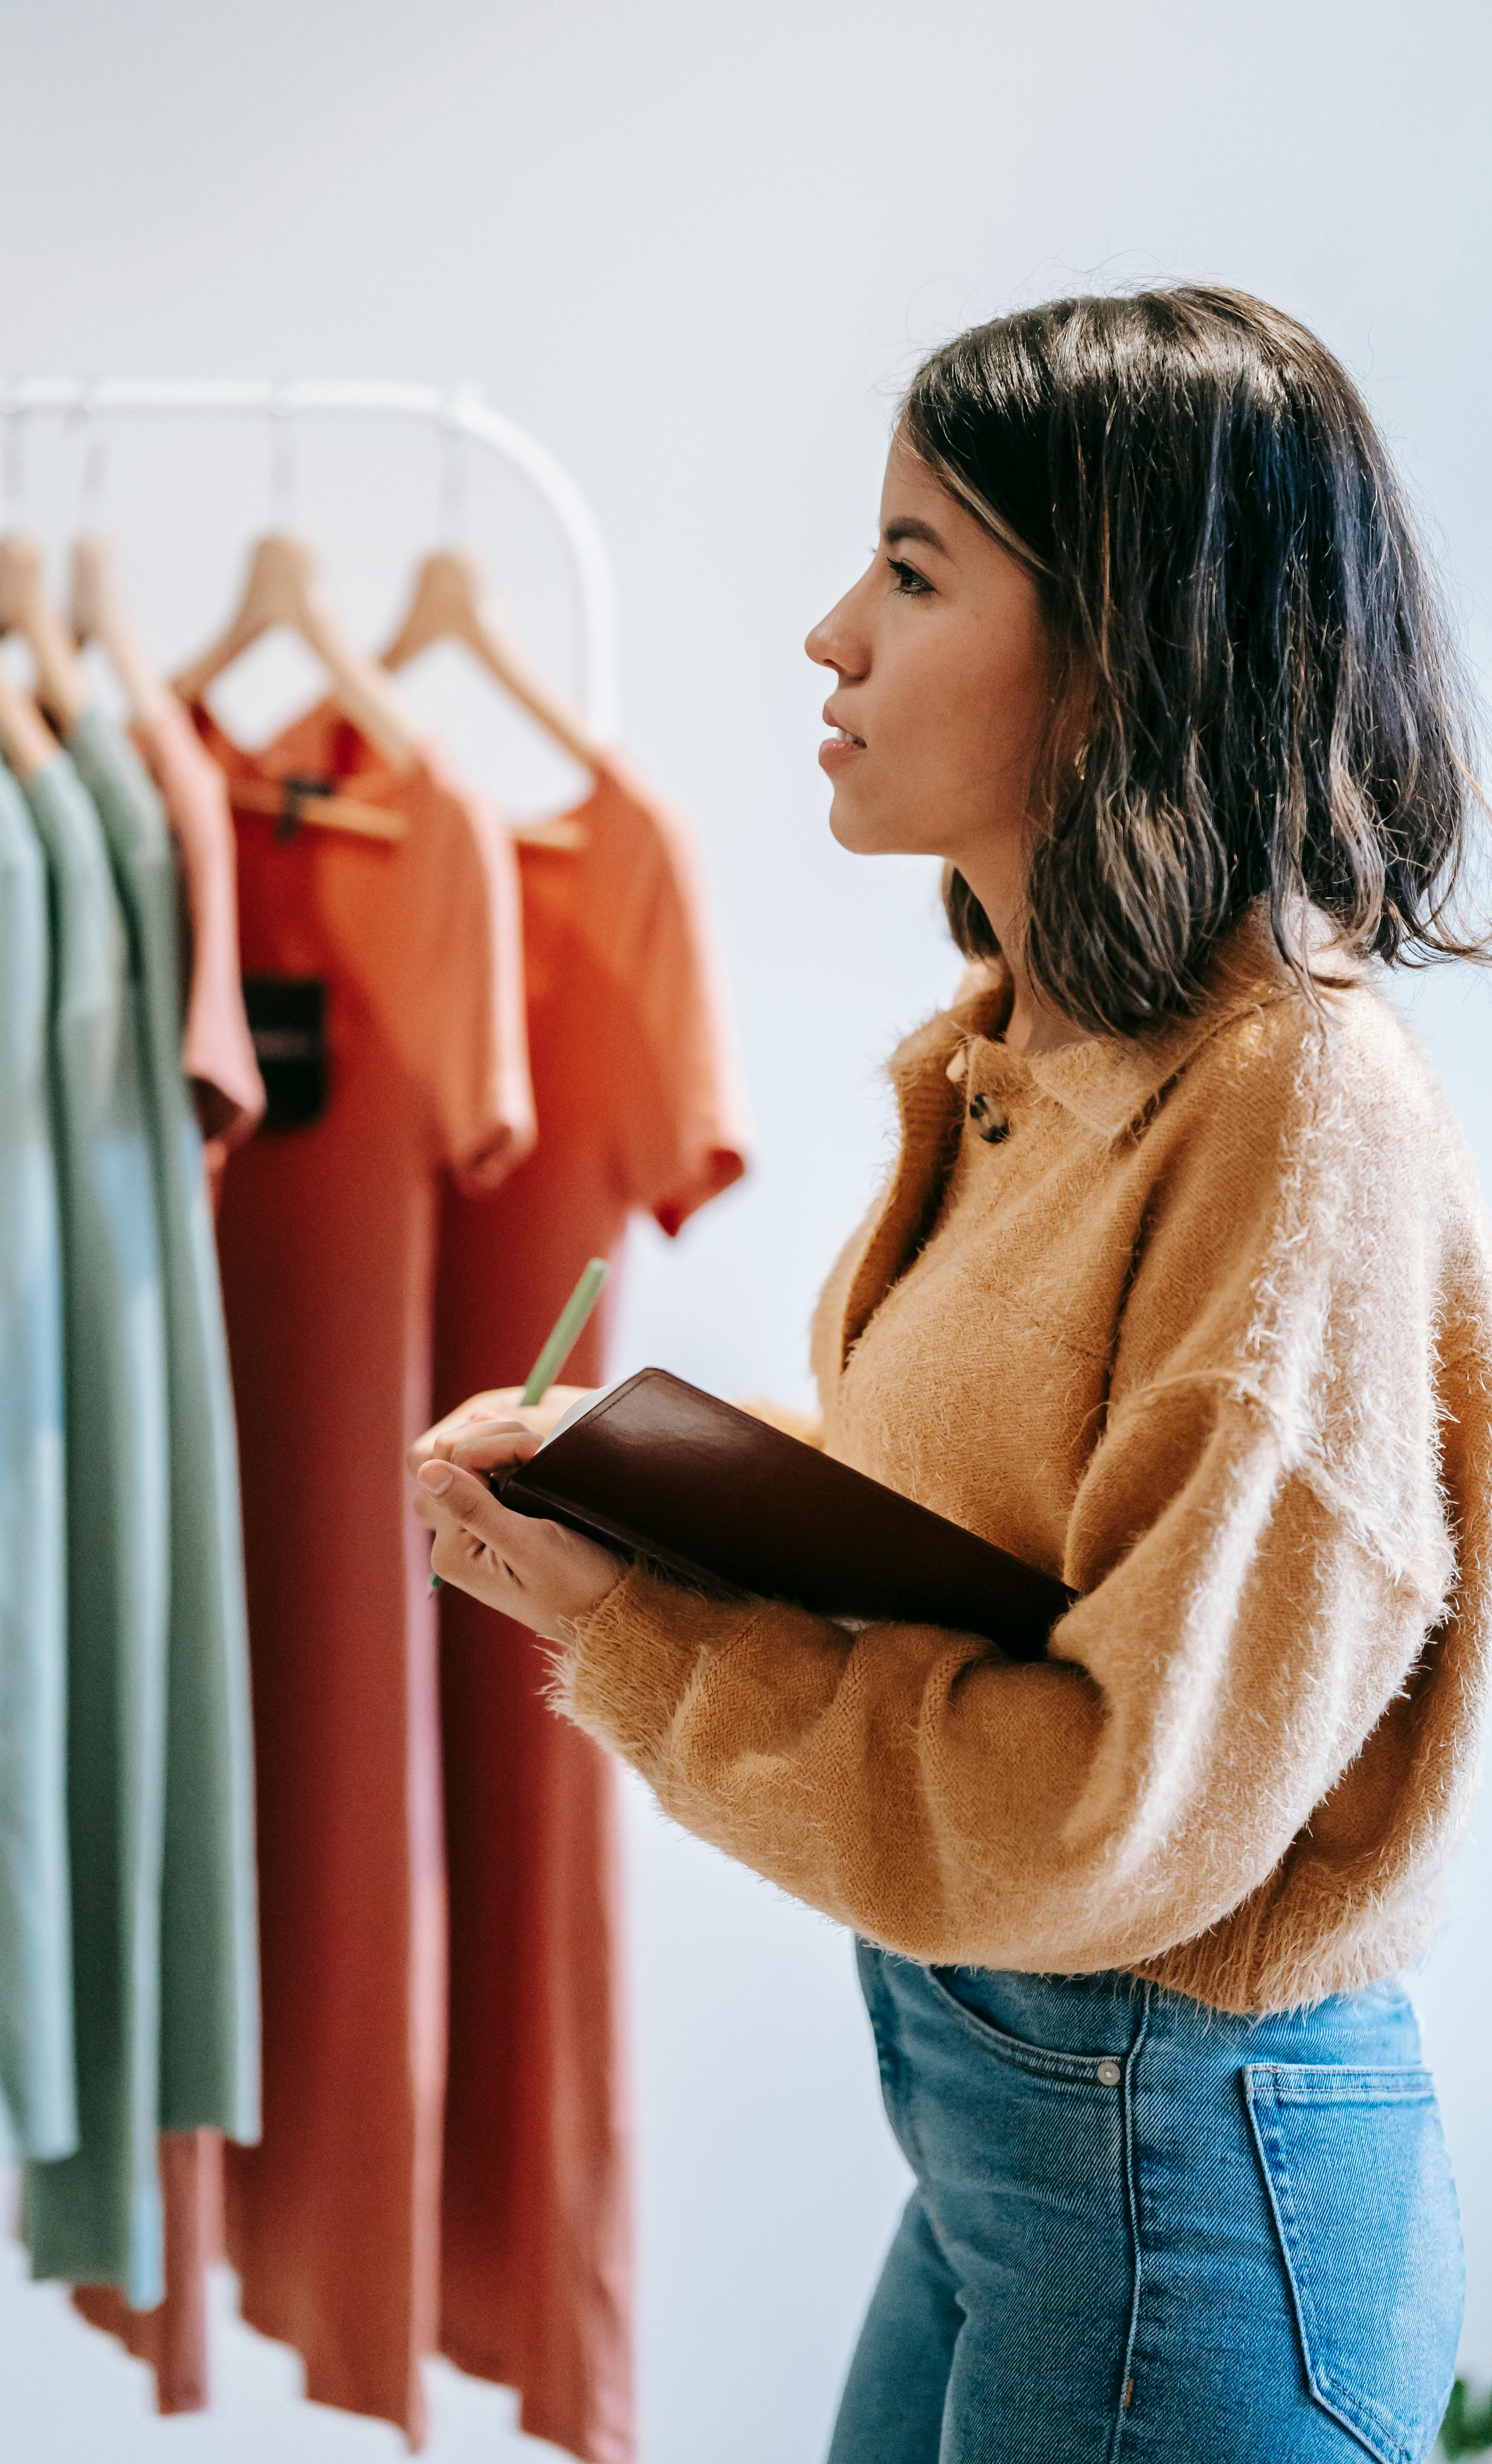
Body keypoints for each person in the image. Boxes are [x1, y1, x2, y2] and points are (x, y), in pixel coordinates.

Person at [409, 286, 1491, 2463]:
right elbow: (1014, 1541)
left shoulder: (1292, 1113)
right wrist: (632, 1478)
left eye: (911, 572)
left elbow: (1112, 1812)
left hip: (1176, 2161)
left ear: (1125, 651)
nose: (830, 635)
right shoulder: (1039, 1056)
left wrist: (642, 1639)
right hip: (1031, 2132)